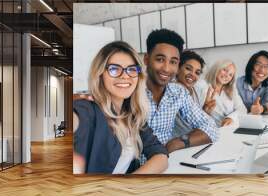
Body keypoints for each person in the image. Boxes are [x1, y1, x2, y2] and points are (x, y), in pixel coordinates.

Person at [73, 41, 168, 174]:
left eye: (132, 69)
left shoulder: (132, 115)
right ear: (100, 74)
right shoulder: (86, 110)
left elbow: (161, 156)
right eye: (114, 69)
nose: (125, 75)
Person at [144, 29, 217, 153]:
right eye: (160, 59)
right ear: (146, 59)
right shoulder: (131, 90)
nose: (166, 68)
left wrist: (177, 143)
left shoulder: (178, 93)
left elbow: (211, 128)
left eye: (173, 62)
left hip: (166, 162)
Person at [195, 60, 247, 127]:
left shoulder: (231, 90)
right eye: (225, 70)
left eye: (230, 75)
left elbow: (242, 109)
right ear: (217, 68)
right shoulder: (202, 85)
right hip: (209, 129)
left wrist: (231, 118)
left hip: (230, 128)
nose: (226, 75)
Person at [172, 50, 207, 138]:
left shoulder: (193, 90)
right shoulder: (173, 90)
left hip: (192, 142)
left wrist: (206, 110)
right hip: (176, 144)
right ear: (178, 68)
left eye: (197, 72)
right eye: (188, 69)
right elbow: (186, 127)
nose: (192, 75)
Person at [236, 50, 268, 115]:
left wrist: (262, 108)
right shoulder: (238, 83)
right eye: (258, 64)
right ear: (251, 66)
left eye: (267, 66)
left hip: (262, 121)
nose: (262, 70)